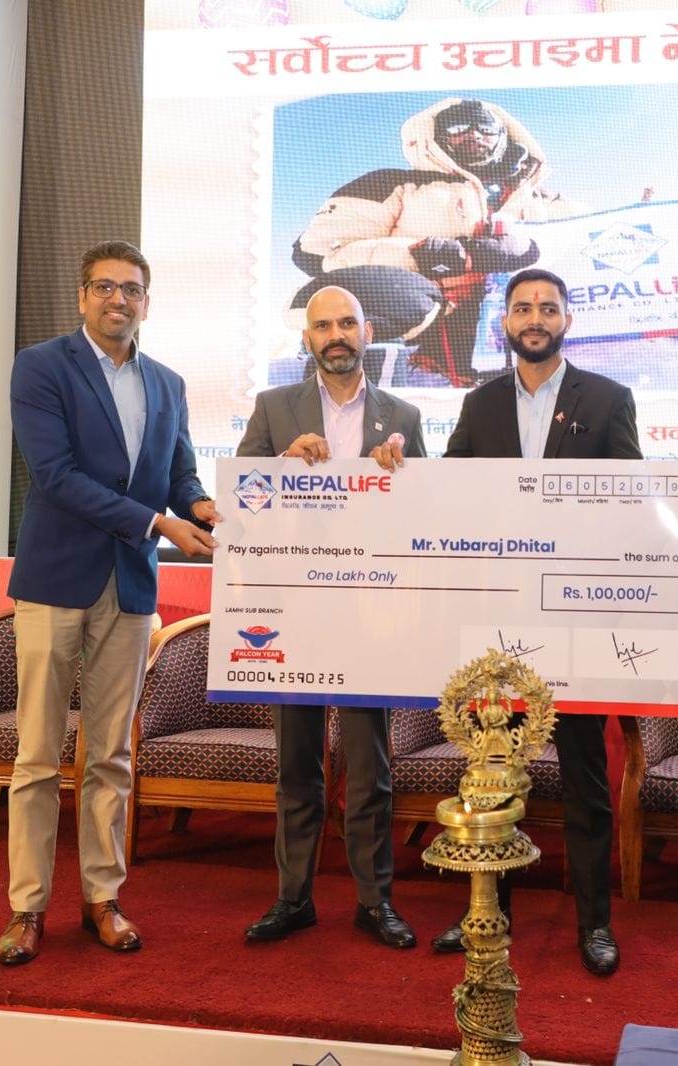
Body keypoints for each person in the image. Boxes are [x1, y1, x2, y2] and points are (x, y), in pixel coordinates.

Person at [0, 240, 219, 965]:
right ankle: (28, 908)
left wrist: (202, 506)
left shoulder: (168, 383)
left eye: (132, 289)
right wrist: (159, 524)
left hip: (128, 587)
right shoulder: (41, 366)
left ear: (146, 302)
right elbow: (55, 476)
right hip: (55, 582)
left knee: (113, 756)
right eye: (104, 287)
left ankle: (102, 897)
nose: (118, 299)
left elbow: (179, 474)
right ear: (82, 296)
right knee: (37, 756)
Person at [429, 266, 641, 975]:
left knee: (584, 775)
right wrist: (402, 473)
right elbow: (450, 491)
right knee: (491, 773)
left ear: (567, 320)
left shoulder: (607, 399)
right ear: (506, 322)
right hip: (496, 623)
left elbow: (632, 498)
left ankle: (594, 923)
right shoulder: (480, 402)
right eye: (523, 308)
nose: (535, 318)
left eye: (548, 307)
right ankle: (488, 910)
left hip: (576, 618)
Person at [236, 286, 426, 949]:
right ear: (308, 338)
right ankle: (293, 899)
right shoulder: (273, 408)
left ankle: (375, 902)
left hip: (370, 612)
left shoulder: (404, 414)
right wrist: (280, 465)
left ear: (367, 332)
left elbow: (427, 514)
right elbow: (239, 500)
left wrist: (402, 477)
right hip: (294, 608)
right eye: (323, 326)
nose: (336, 335)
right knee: (297, 765)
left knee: (370, 768)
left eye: (347, 323)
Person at [292, 97, 566, 386]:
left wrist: (528, 247)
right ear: (435, 135)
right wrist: (428, 254)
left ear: (503, 136)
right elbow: (317, 253)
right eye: (458, 128)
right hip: (425, 317)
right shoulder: (390, 184)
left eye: (485, 128)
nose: (474, 135)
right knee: (387, 295)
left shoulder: (536, 198)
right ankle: (348, 396)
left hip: (511, 319)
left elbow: (586, 237)